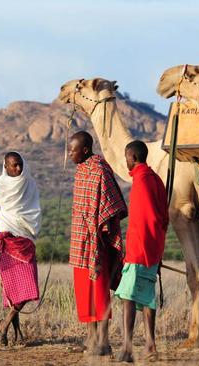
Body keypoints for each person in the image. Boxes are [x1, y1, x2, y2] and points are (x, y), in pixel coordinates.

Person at [68, 131, 127, 355]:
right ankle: (91, 339)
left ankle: (104, 342)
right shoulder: (81, 171)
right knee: (85, 293)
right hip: (79, 243)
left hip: (97, 242)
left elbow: (113, 207)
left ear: (84, 150)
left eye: (73, 150)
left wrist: (99, 230)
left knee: (99, 293)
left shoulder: (100, 170)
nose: (70, 154)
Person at [115, 140, 168, 363]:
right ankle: (150, 345)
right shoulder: (154, 178)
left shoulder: (143, 180)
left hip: (140, 248)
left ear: (133, 157)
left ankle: (127, 348)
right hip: (153, 247)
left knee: (127, 296)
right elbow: (162, 217)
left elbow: (144, 218)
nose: (126, 162)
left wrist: (135, 250)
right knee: (146, 297)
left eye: (127, 157)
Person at [0, 152, 42, 347]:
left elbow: (34, 212)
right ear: (5, 166)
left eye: (20, 164)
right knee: (13, 292)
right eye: (13, 165)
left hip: (25, 241)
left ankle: (3, 326)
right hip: (5, 242)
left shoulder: (30, 184)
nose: (18, 169)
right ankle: (13, 334)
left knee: (28, 289)